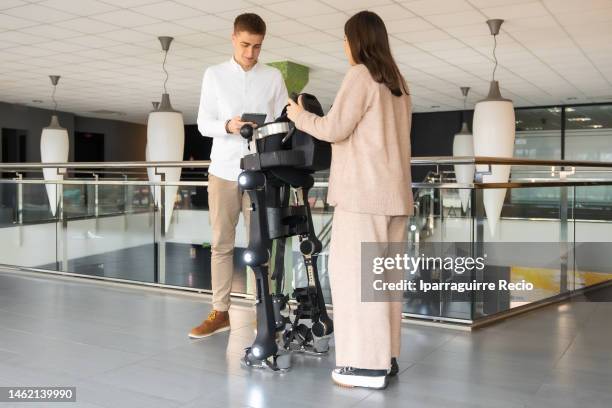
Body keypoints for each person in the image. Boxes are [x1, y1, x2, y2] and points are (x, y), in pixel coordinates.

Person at [286, 11, 413, 389]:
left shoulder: (361, 74)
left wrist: (298, 115)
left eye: (345, 40)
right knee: (384, 283)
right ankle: (385, 357)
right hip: (395, 197)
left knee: (356, 282)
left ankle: (363, 366)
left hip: (363, 197)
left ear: (355, 41)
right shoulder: (398, 83)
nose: (344, 47)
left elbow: (334, 129)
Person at [190, 13, 288, 339]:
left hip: (259, 171)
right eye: (245, 45)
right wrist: (228, 126)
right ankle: (220, 313)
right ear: (233, 38)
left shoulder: (273, 77)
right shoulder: (214, 75)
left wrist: (268, 132)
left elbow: (280, 124)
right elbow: (204, 123)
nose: (250, 53)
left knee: (263, 243)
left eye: (257, 47)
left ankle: (266, 310)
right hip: (223, 170)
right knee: (221, 244)